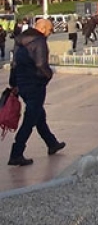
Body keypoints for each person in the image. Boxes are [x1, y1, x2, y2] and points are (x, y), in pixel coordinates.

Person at [7, 18, 66, 166]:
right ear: (44, 29)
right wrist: (48, 75)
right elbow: (41, 64)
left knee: (39, 115)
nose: (50, 33)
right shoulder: (39, 41)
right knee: (30, 119)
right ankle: (16, 153)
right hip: (35, 84)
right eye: (50, 30)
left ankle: (52, 143)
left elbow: (14, 64)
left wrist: (14, 83)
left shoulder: (20, 40)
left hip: (22, 84)